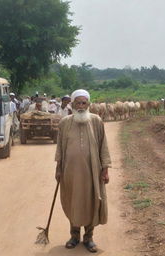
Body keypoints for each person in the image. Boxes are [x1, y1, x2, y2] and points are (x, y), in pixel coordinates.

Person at [55, 89, 111, 253]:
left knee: (91, 202)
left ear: (88, 104)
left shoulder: (96, 121)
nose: (80, 106)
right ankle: (74, 236)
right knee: (73, 202)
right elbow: (60, 148)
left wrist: (105, 169)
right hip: (70, 173)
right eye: (77, 103)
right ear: (72, 104)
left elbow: (104, 147)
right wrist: (58, 169)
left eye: (84, 103)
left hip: (92, 172)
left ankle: (89, 238)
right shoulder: (64, 122)